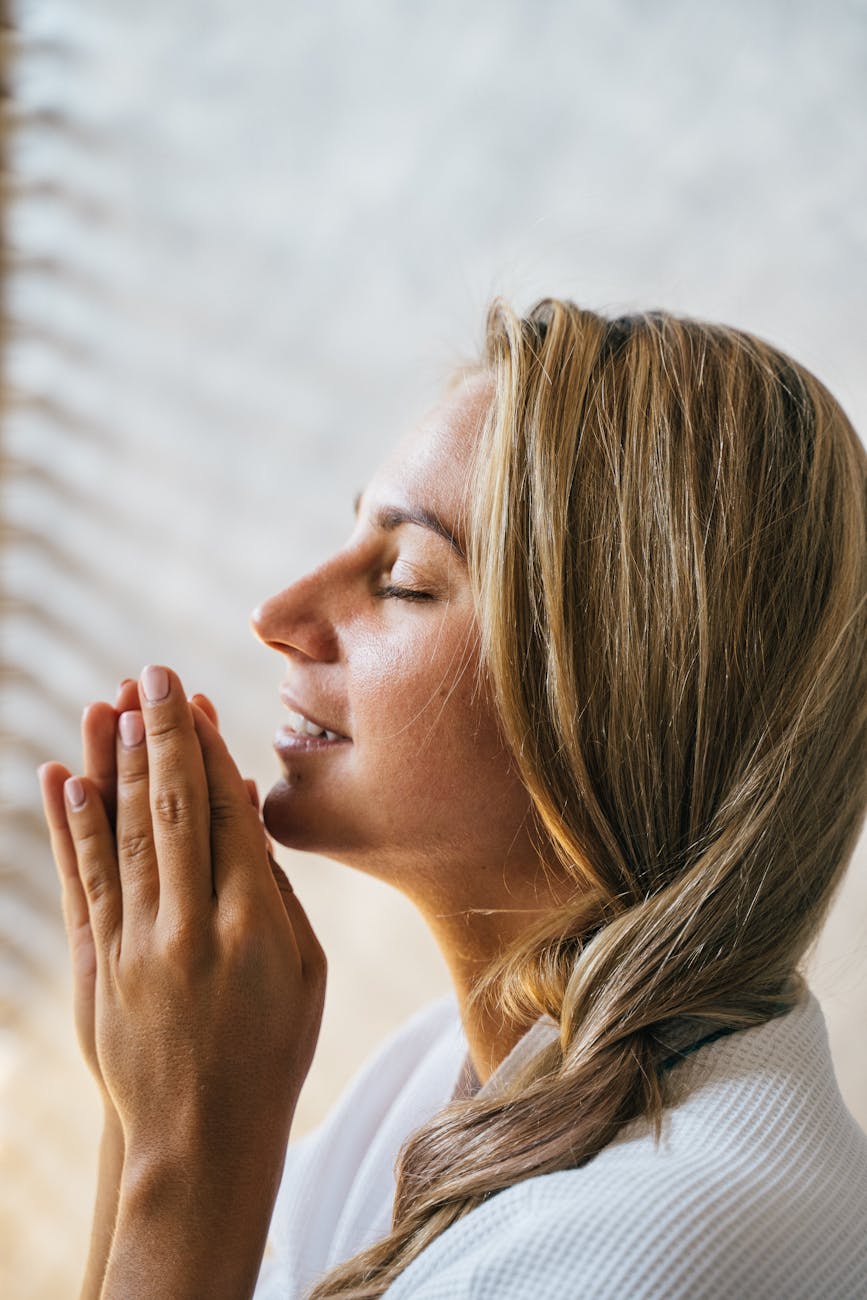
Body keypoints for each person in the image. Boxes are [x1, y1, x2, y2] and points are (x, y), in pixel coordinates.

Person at [37, 296, 867, 1299]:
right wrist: (143, 1100)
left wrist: (188, 1151)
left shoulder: (670, 1247)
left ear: (607, 698)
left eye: (402, 577)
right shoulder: (436, 1080)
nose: (278, 615)